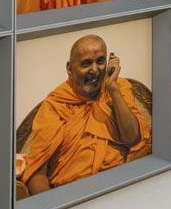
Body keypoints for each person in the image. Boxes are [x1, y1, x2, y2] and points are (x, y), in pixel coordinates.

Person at [21, 35, 149, 194]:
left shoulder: (117, 88)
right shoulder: (54, 105)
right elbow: (37, 172)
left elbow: (132, 138)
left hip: (118, 187)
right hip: (71, 195)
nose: (94, 70)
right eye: (86, 63)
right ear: (69, 68)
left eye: (100, 62)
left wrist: (113, 89)